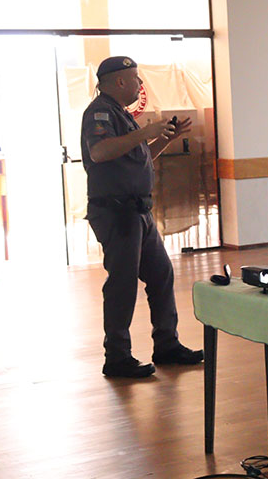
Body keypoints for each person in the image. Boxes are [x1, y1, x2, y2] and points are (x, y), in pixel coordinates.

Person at [81, 55, 203, 378]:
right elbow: (100, 152)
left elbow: (139, 156)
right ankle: (117, 356)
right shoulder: (100, 112)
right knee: (122, 283)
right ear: (120, 81)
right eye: (135, 78)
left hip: (138, 211)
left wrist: (165, 139)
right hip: (117, 212)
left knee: (161, 274)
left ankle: (167, 344)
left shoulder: (122, 114)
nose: (139, 84)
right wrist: (147, 130)